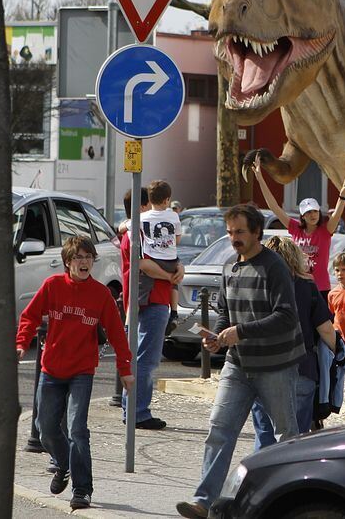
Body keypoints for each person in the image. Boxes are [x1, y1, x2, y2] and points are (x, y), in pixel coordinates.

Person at [176, 205, 306, 519]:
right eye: (230, 232)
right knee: (219, 430)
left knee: (284, 437)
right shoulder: (229, 267)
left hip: (276, 365)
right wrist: (217, 336)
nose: (233, 238)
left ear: (256, 232)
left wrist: (240, 332)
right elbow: (224, 314)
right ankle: (204, 502)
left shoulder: (274, 267)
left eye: (240, 232)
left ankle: (290, 503)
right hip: (237, 365)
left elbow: (287, 316)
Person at [16, 236, 134, 511]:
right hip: (52, 370)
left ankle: (82, 490)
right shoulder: (53, 286)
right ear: (68, 262)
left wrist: (125, 370)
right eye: (78, 258)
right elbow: (29, 316)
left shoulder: (101, 294)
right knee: (45, 430)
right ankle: (64, 463)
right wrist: (22, 344)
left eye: (88, 257)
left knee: (77, 428)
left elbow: (117, 334)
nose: (84, 262)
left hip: (82, 371)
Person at [251, 236, 337, 448]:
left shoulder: (255, 283)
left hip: (263, 367)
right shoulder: (306, 285)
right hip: (301, 367)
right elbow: (325, 328)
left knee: (264, 435)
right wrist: (342, 352)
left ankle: (261, 478)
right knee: (294, 440)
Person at [119, 182, 184, 430]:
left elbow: (169, 254)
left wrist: (179, 267)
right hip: (152, 300)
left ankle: (132, 409)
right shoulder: (136, 234)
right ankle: (138, 412)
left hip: (144, 301)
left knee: (139, 358)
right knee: (146, 360)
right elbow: (143, 264)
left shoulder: (135, 230)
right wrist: (170, 277)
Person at [252, 163, 345, 298]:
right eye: (308, 213)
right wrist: (260, 178)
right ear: (302, 216)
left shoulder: (325, 230)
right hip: (298, 285)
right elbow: (274, 207)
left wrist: (343, 195)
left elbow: (337, 213)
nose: (312, 215)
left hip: (321, 288)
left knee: (322, 320)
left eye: (315, 211)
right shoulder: (295, 228)